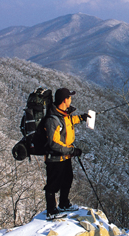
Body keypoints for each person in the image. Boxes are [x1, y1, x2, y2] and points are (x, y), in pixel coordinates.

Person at [43, 88, 90, 220]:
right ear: (65, 100)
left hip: (65, 157)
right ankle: (51, 211)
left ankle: (64, 203)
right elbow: (54, 143)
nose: (71, 99)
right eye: (70, 97)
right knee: (53, 185)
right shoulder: (53, 119)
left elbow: (68, 122)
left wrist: (81, 118)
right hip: (55, 158)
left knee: (67, 180)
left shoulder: (62, 114)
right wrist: (72, 151)